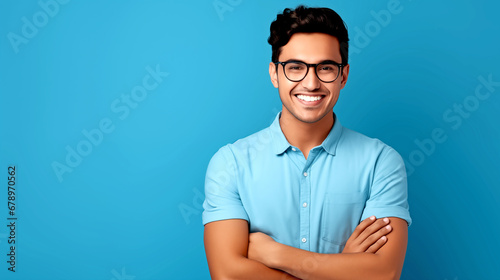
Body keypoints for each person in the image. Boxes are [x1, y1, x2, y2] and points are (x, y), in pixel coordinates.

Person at [202, 5, 411, 280]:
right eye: (295, 67)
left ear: (343, 76)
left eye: (325, 67)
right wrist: (343, 268)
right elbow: (228, 274)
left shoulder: (381, 163)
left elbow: (384, 273)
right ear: (274, 74)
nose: (311, 83)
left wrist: (275, 254)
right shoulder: (230, 164)